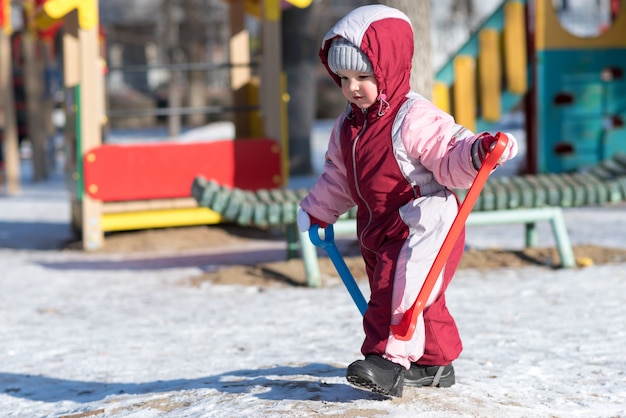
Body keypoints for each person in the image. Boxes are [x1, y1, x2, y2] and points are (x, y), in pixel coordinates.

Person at [297, 4, 518, 397]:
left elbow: (447, 153)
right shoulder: (347, 126)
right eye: (343, 78)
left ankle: (387, 361)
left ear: (390, 68)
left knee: (396, 292)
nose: (352, 88)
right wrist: (318, 209)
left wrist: (475, 153)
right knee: (422, 299)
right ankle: (435, 364)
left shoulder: (413, 116)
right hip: (380, 227)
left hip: (424, 224)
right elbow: (339, 177)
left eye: (364, 76)